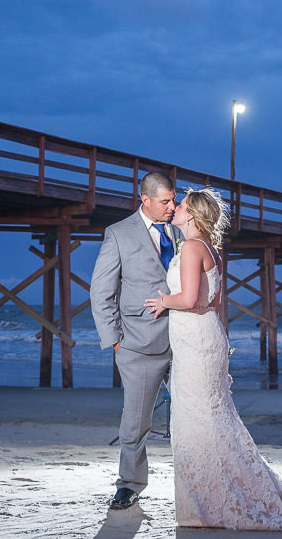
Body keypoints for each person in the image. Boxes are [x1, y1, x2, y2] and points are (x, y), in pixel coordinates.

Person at [144, 188, 282, 532]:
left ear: (193, 214)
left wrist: (164, 302)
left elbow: (189, 299)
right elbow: (213, 305)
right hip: (204, 339)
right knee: (209, 420)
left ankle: (205, 507)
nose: (175, 209)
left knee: (195, 423)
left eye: (182, 205)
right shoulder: (211, 250)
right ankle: (206, 501)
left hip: (196, 342)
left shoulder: (190, 247)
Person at [89, 172, 182, 510]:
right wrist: (115, 341)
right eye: (165, 201)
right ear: (145, 199)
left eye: (173, 200)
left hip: (184, 339)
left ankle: (197, 481)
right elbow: (101, 292)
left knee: (195, 415)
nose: (173, 207)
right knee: (136, 421)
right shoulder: (118, 234)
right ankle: (129, 484)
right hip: (138, 344)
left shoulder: (180, 228)